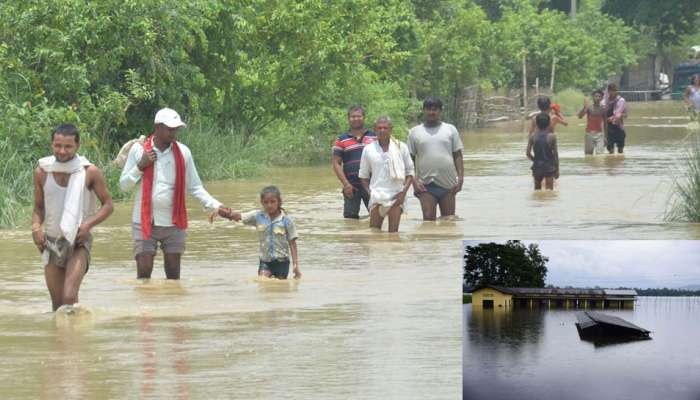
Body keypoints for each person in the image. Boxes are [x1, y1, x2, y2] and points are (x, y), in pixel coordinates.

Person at [119, 108, 239, 280]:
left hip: (174, 221)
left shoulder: (183, 152)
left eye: (176, 129)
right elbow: (123, 186)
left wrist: (217, 206)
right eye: (170, 129)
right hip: (144, 221)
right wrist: (140, 166)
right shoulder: (139, 152)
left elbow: (195, 187)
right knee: (144, 274)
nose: (173, 133)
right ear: (157, 127)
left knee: (174, 277)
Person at [32, 124, 114, 311]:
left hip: (78, 241)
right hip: (51, 242)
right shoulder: (42, 171)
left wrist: (87, 226)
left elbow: (108, 205)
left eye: (68, 146)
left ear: (77, 146)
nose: (62, 151)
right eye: (57, 145)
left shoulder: (89, 171)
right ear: (52, 144)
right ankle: (65, 339)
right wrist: (36, 227)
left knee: (69, 298)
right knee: (57, 304)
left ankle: (74, 337)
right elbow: (38, 207)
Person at [407, 97, 464, 220]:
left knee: (449, 220)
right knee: (428, 221)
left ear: (440, 111)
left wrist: (461, 178)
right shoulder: (414, 132)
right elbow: (409, 160)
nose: (431, 112)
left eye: (434, 109)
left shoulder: (450, 129)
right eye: (428, 109)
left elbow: (457, 155)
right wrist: (414, 181)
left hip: (448, 183)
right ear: (423, 110)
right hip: (425, 184)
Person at [358, 116, 414, 232]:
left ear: (391, 129)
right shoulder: (368, 149)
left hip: (396, 196)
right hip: (377, 197)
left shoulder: (401, 147)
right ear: (374, 129)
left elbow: (410, 172)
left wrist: (403, 193)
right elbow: (363, 176)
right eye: (379, 128)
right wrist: (371, 193)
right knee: (374, 233)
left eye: (385, 128)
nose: (382, 130)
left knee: (394, 235)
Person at [233, 186, 301, 280]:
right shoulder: (257, 216)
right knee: (263, 283)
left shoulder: (286, 220)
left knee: (280, 289)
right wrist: (221, 210)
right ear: (262, 203)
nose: (269, 205)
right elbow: (238, 216)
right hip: (265, 261)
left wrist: (296, 265)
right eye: (266, 202)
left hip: (282, 262)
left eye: (273, 202)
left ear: (279, 202)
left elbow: (292, 243)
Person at [332, 105, 376, 219]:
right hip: (351, 187)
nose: (356, 119)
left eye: (359, 116)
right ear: (348, 119)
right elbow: (336, 163)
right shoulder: (341, 139)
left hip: (372, 185)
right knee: (350, 221)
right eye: (353, 116)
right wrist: (346, 184)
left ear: (364, 117)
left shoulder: (375, 136)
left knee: (377, 218)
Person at [527, 113, 559, 190]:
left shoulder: (532, 136)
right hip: (549, 166)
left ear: (537, 124)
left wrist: (535, 160)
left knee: (537, 190)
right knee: (549, 191)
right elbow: (555, 155)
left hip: (537, 166)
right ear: (548, 124)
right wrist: (557, 170)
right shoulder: (552, 137)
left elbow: (528, 153)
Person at [577, 89, 607, 155]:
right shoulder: (589, 108)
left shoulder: (603, 109)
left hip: (600, 135)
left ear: (602, 98)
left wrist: (606, 137)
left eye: (599, 96)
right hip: (589, 134)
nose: (597, 98)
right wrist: (584, 108)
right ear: (593, 97)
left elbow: (605, 123)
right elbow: (580, 116)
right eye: (596, 96)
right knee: (588, 155)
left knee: (600, 156)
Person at [605, 83, 627, 154]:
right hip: (609, 128)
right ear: (608, 91)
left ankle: (619, 162)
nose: (613, 92)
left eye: (614, 90)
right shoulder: (606, 101)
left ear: (617, 91)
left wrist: (620, 115)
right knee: (610, 150)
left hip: (619, 127)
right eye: (611, 91)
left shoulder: (621, 100)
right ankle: (611, 163)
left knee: (620, 150)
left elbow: (625, 115)